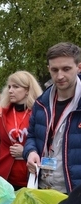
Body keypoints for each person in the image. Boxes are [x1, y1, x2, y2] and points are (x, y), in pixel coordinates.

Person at [24, 42, 81, 194]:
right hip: (43, 187)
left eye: (66, 69)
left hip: (74, 192)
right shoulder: (41, 103)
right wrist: (30, 152)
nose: (60, 76)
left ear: (79, 67)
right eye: (54, 70)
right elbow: (31, 136)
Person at [0, 71, 42, 190]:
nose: (10, 90)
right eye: (9, 87)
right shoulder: (2, 115)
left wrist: (26, 152)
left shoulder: (39, 114)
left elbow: (47, 144)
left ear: (28, 90)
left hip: (31, 178)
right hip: (4, 176)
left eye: (16, 87)